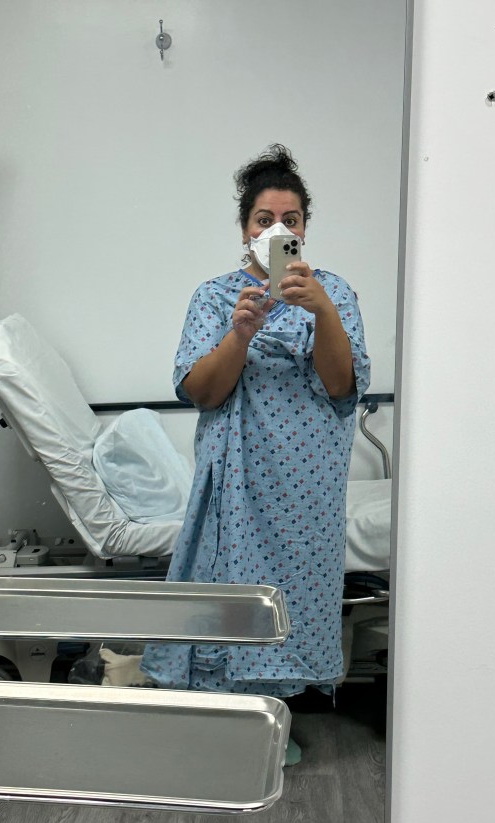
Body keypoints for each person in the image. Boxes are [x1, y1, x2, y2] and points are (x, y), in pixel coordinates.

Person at [140, 144, 370, 763]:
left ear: (304, 230)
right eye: (264, 219)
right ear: (245, 229)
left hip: (308, 486)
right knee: (232, 594)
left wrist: (321, 309)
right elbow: (201, 391)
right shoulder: (215, 298)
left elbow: (342, 387)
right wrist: (241, 333)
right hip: (238, 482)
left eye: (290, 219)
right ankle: (226, 726)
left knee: (294, 600)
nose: (277, 230)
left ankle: (273, 724)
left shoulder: (334, 294)